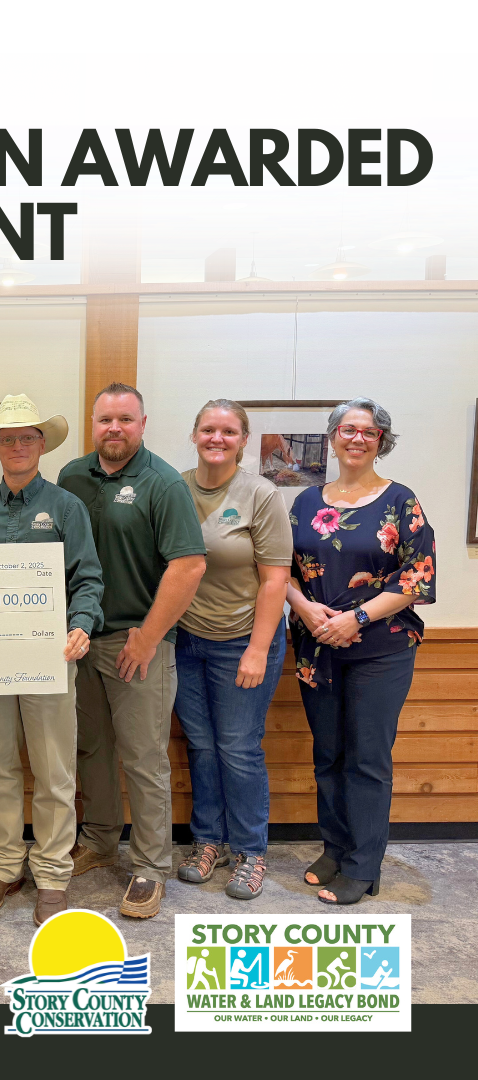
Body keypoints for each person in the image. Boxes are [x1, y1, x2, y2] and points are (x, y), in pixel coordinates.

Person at [0, 394, 104, 927]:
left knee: (54, 769)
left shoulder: (66, 508)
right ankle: (2, 865)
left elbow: (88, 576)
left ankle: (52, 874)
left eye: (28, 436)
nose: (18, 445)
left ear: (42, 444)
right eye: (8, 437)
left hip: (50, 655)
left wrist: (81, 624)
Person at [58, 383, 206, 919]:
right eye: (104, 420)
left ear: (143, 423)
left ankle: (150, 864)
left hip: (136, 642)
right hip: (80, 640)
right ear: (91, 424)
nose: (113, 428)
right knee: (91, 749)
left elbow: (188, 565)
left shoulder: (162, 483)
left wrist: (148, 635)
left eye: (125, 419)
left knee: (143, 758)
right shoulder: (73, 476)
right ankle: (99, 841)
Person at [287, 398, 435, 905]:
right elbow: (277, 570)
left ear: (381, 441)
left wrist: (359, 616)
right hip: (316, 645)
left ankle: (363, 865)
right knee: (328, 755)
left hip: (381, 650)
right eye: (347, 430)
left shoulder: (401, 501)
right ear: (332, 437)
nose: (356, 438)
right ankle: (335, 848)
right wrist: (306, 610)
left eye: (368, 432)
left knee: (367, 759)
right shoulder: (305, 502)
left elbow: (418, 579)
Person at [174, 400, 292, 900]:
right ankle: (208, 842)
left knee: (239, 750)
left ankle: (250, 851)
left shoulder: (260, 494)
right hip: (186, 640)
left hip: (245, 638)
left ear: (243, 440)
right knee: (200, 746)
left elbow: (275, 580)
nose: (216, 438)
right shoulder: (174, 487)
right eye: (208, 429)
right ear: (194, 435)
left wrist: (257, 649)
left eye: (228, 431)